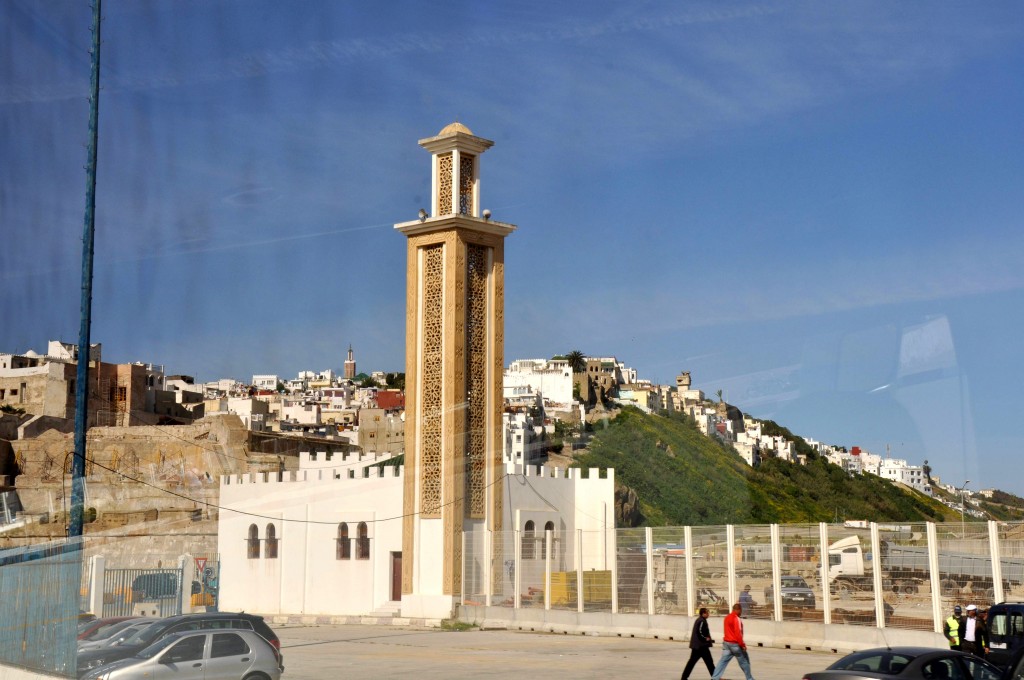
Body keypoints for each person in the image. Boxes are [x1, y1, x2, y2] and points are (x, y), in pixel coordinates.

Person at [711, 603, 755, 680]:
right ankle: (750, 678)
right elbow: (738, 633)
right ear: (738, 610)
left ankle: (714, 678)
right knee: (744, 661)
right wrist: (742, 645)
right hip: (735, 644)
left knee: (722, 661)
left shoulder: (727, 618)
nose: (741, 612)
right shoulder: (736, 619)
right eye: (741, 610)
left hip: (726, 644)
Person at [681, 608, 715, 680]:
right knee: (709, 662)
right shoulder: (701, 621)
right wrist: (705, 638)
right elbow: (699, 632)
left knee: (693, 662)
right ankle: (715, 677)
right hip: (701, 646)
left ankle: (684, 677)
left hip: (698, 646)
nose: (708, 614)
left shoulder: (700, 620)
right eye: (707, 613)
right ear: (703, 614)